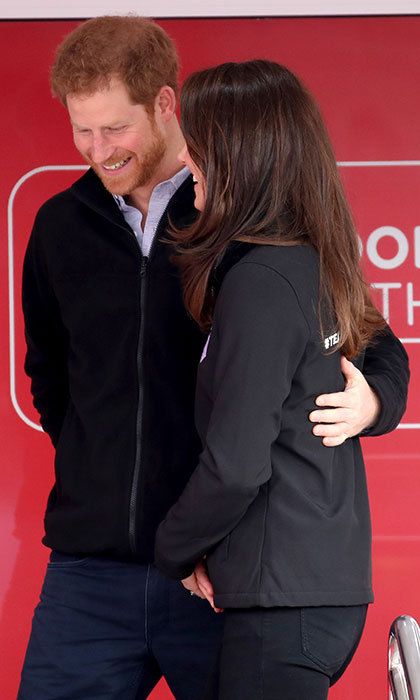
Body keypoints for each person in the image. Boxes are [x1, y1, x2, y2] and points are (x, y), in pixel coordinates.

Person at [19, 16, 408, 700]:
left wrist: (375, 400)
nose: (96, 149)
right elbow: (49, 374)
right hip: (90, 570)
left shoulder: (237, 216)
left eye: (114, 128)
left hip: (216, 569)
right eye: (82, 129)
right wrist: (94, 461)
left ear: (167, 106)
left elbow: (368, 338)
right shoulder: (57, 227)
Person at [154, 59, 408, 699]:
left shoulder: (262, 283)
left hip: (285, 606)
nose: (188, 161)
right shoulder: (305, 263)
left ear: (244, 158)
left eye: (201, 146)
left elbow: (236, 464)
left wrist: (173, 549)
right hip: (310, 597)